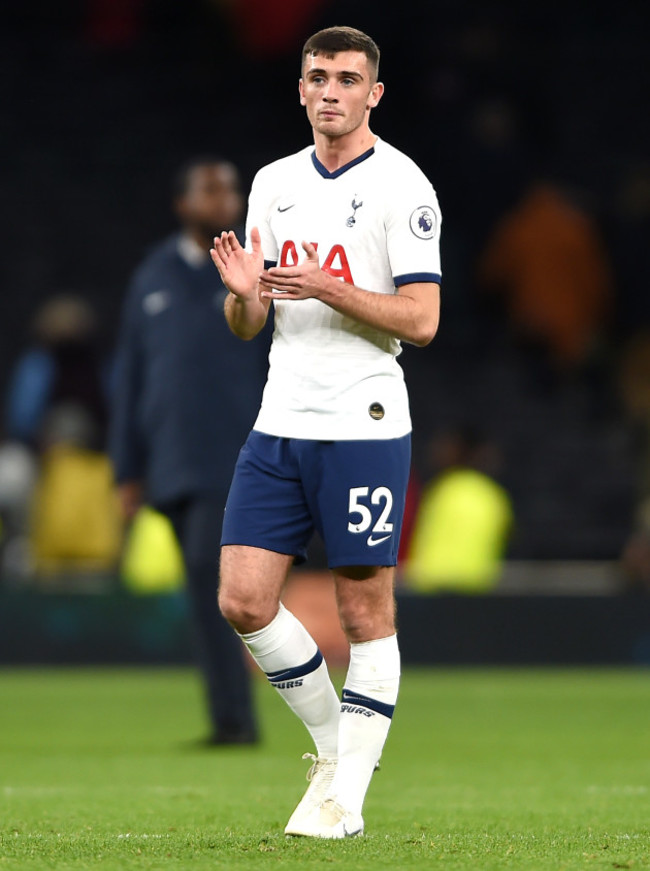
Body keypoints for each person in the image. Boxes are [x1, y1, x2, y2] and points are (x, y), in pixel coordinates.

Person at [210, 27, 441, 838]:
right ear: (301, 89)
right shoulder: (273, 184)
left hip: (365, 424)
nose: (331, 90)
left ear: (374, 92)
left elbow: (423, 319)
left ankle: (347, 798)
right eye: (318, 77)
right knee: (241, 599)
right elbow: (251, 325)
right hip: (280, 419)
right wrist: (245, 296)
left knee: (364, 611)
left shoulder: (403, 187)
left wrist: (333, 288)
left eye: (348, 78)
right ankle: (333, 753)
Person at [110, 157, 268, 745]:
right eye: (210, 189)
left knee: (212, 583)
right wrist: (127, 468)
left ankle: (236, 722)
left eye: (230, 189)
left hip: (238, 459)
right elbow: (129, 377)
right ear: (183, 204)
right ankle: (231, 716)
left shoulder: (254, 273)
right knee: (205, 596)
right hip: (172, 464)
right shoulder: (152, 275)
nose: (224, 199)